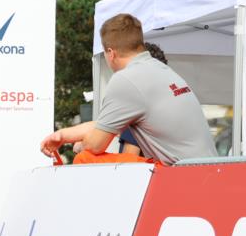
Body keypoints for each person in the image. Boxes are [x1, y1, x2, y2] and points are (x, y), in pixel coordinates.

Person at [40, 13, 217, 166]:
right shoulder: (159, 69)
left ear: (111, 53)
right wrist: (62, 135)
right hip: (204, 169)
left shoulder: (126, 79)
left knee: (85, 158)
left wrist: (80, 145)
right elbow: (105, 124)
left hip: (179, 174)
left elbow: (95, 145)